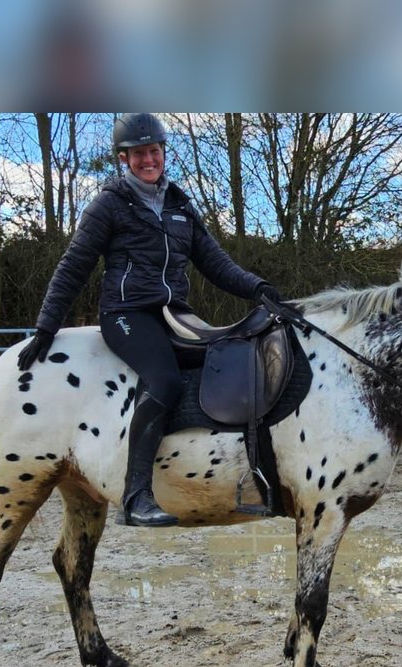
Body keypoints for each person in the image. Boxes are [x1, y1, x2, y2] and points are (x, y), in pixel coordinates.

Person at [17, 113, 287, 526]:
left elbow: (214, 262)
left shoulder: (180, 206)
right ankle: (136, 495)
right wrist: (45, 326)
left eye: (154, 151)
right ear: (124, 158)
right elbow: (73, 267)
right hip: (126, 314)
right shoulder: (108, 205)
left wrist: (257, 287)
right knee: (164, 380)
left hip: (175, 315)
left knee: (221, 364)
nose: (149, 160)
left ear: (163, 153)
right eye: (139, 153)